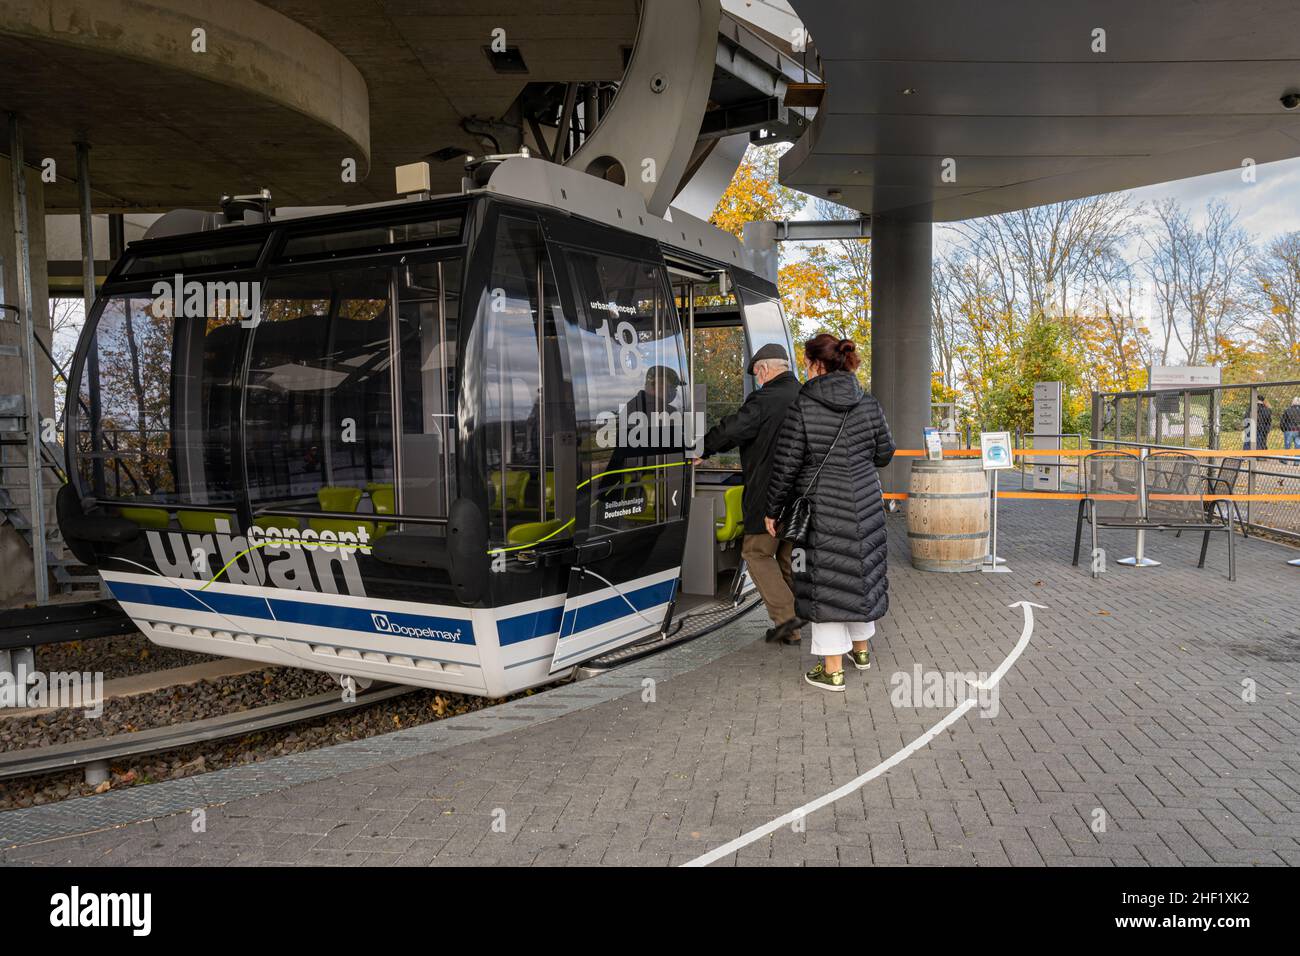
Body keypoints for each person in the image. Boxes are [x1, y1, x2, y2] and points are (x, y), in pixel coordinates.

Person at [764, 333, 895, 692]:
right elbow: (885, 453)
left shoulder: (802, 407)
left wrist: (773, 510)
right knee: (860, 574)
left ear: (816, 364)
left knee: (824, 582)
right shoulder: (868, 404)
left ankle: (832, 669)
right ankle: (862, 651)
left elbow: (786, 467)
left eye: (806, 362)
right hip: (865, 504)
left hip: (821, 509)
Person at [695, 343, 803, 644]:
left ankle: (788, 622)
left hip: (769, 494)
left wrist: (703, 448)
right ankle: (798, 614)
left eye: (757, 373)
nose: (757, 378)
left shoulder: (765, 399)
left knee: (756, 552)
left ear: (764, 369)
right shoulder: (804, 395)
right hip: (801, 496)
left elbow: (732, 429)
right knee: (785, 556)